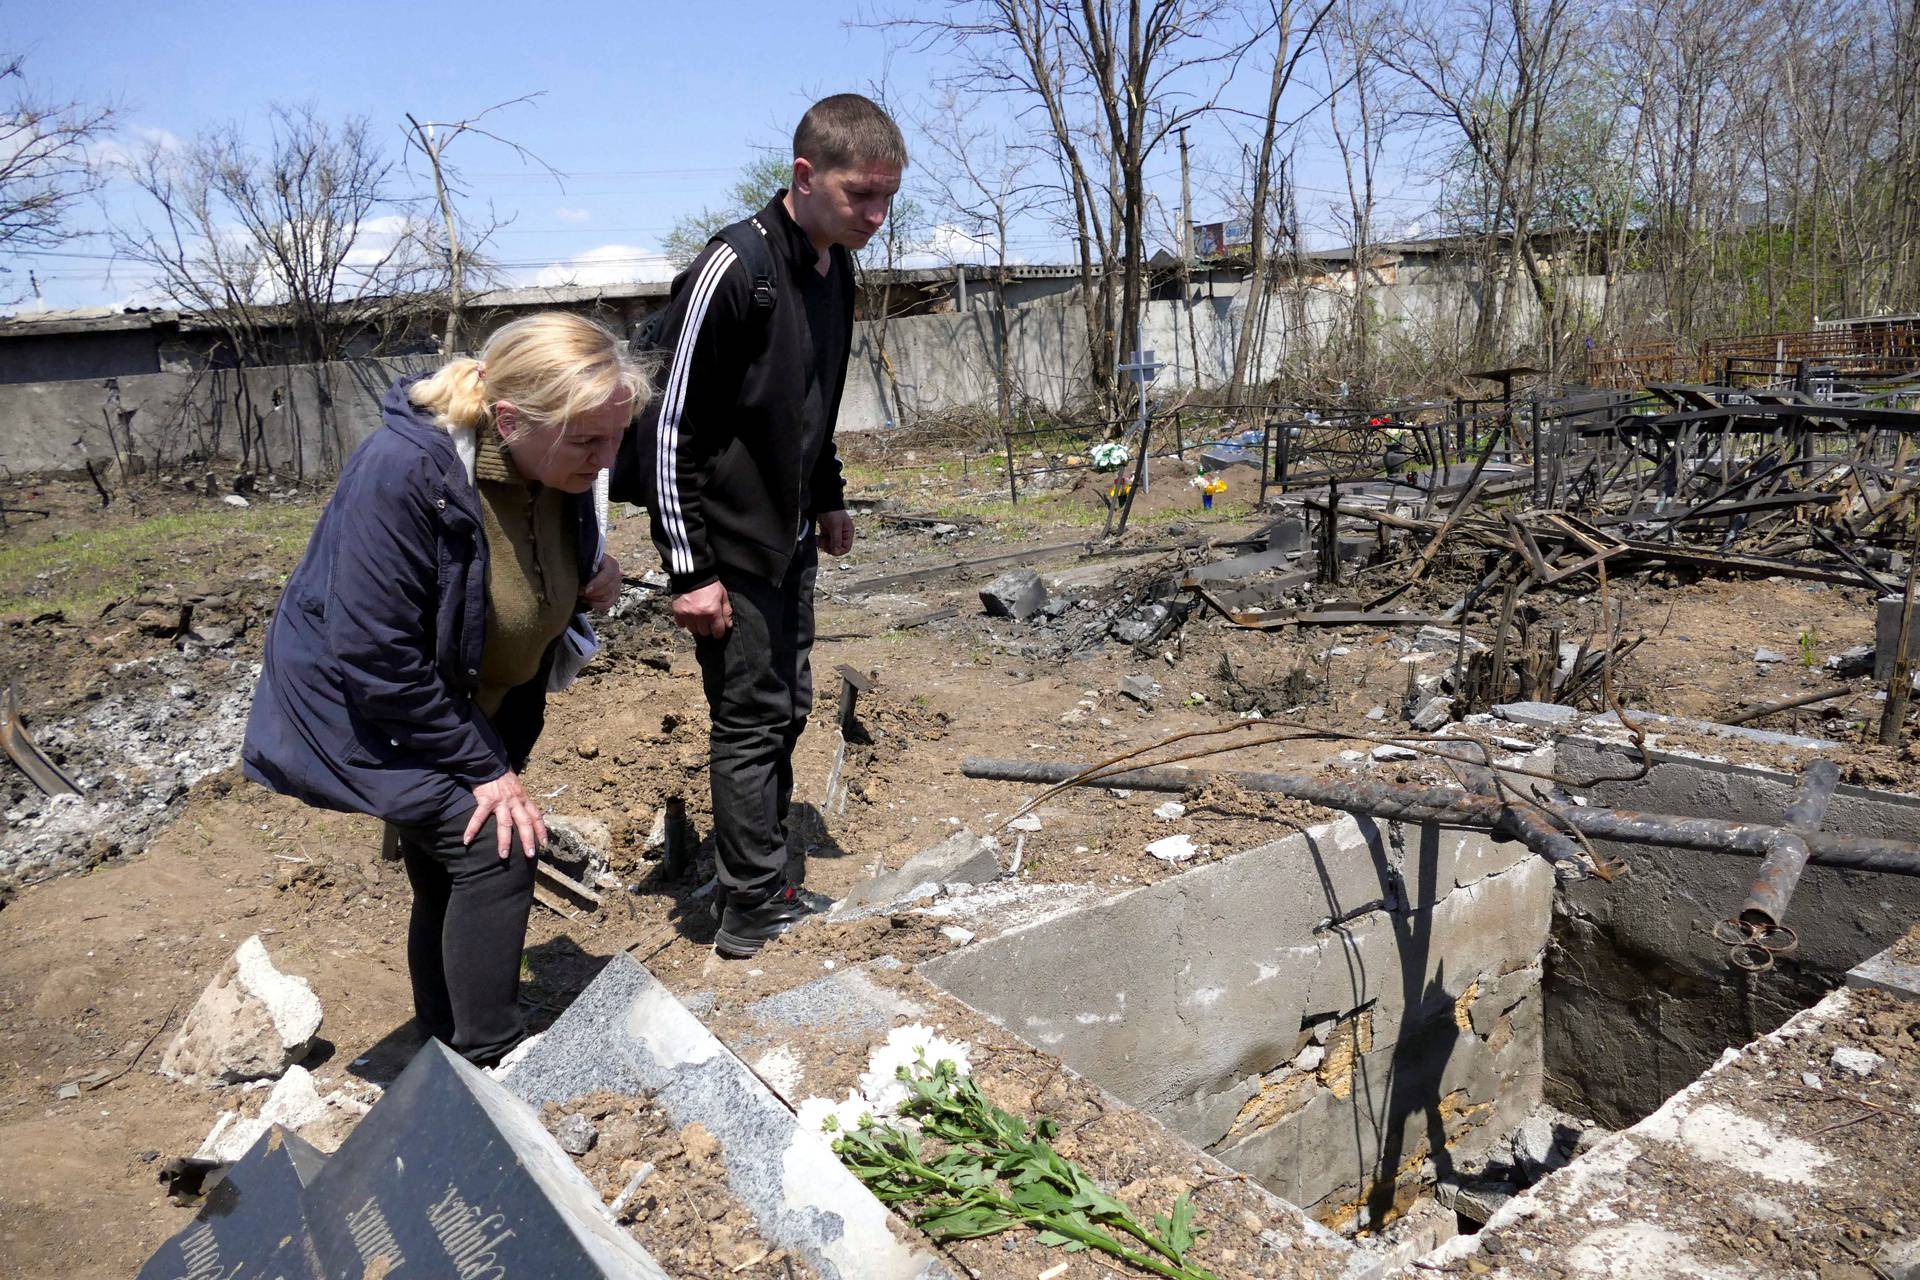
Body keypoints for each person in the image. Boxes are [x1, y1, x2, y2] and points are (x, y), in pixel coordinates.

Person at [242, 313, 644, 1065]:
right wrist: (486, 769)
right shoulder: (402, 471)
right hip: (376, 707)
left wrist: (590, 578)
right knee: (496, 851)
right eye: (589, 441)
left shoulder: (561, 463)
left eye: (616, 436)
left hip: (477, 702)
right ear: (510, 418)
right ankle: (495, 1058)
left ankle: (446, 1051)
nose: (607, 457)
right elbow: (373, 652)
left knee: (447, 869)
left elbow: (533, 556)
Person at [617, 93, 905, 958]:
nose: (877, 217)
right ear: (805, 176)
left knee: (786, 708)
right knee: (748, 717)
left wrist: (827, 493)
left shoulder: (835, 270)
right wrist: (687, 570)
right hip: (728, 543)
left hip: (788, 535)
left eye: (889, 199)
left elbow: (810, 401)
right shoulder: (733, 269)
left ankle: (768, 874)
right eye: (862, 196)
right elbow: (668, 429)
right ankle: (748, 907)